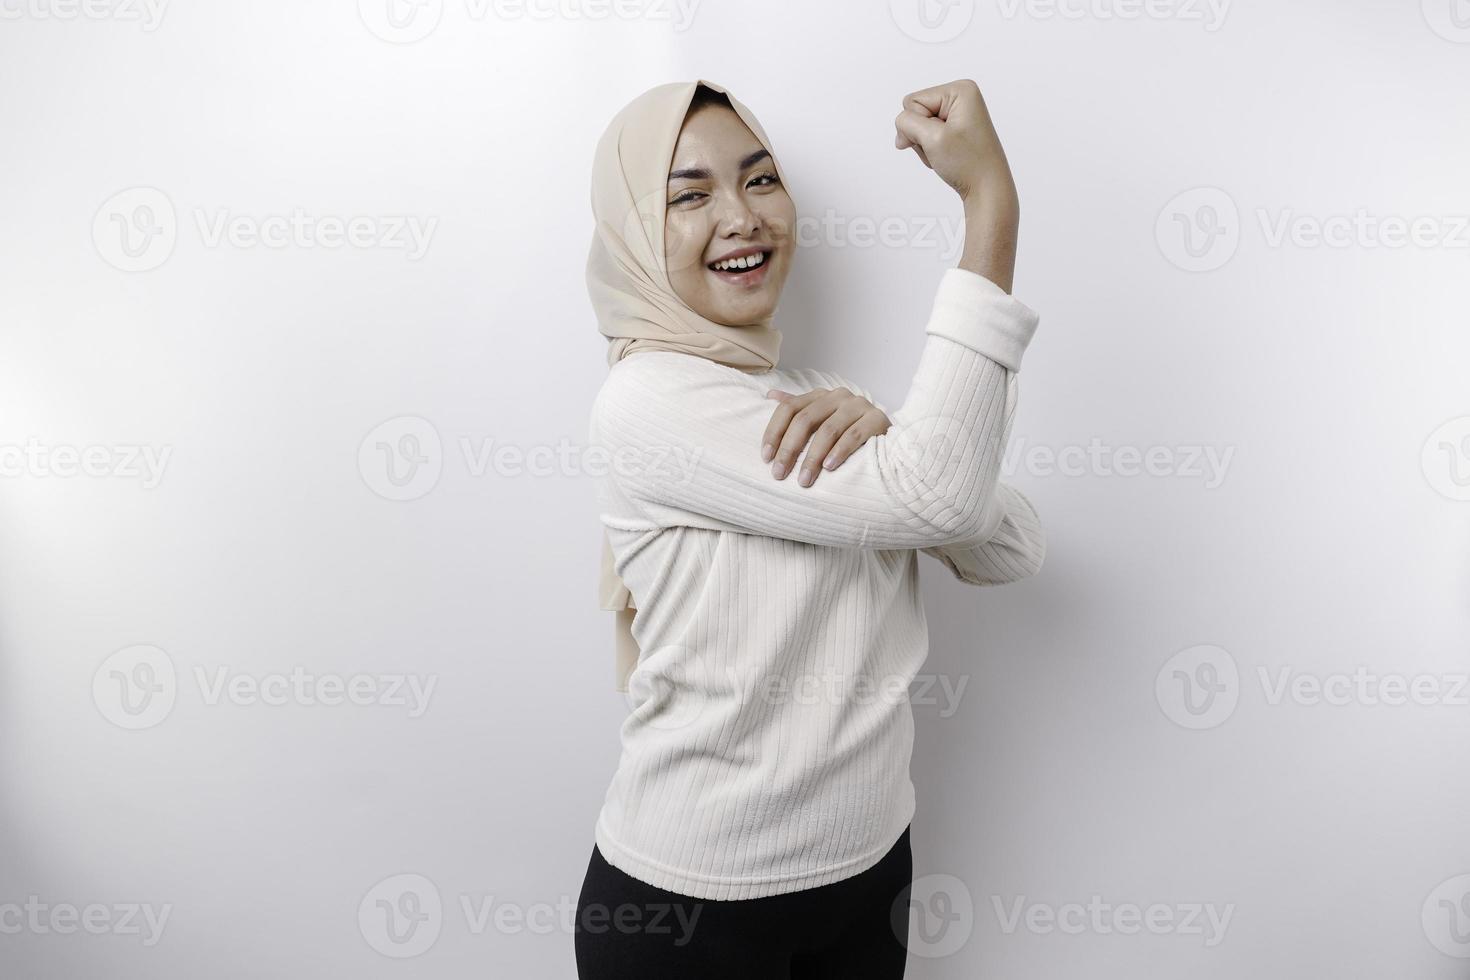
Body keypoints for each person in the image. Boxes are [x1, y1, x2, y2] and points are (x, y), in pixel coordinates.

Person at [575, 77, 1044, 979]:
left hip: (867, 877)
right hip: (692, 913)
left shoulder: (813, 406)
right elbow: (944, 497)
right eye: (688, 194)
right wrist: (991, 203)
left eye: (760, 180)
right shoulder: (647, 404)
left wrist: (892, 432)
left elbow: (1012, 545)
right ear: (633, 234)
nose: (742, 216)